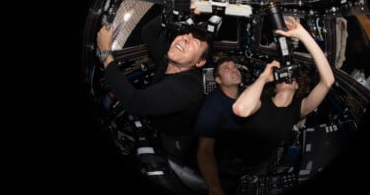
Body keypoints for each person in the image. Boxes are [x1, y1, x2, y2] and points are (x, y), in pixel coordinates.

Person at [96, 13, 212, 163]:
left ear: (200, 63)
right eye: (185, 34)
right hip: (155, 123)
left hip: (172, 137)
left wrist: (105, 53)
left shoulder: (189, 87)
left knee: (172, 163)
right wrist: (173, 13)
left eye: (194, 43)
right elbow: (148, 32)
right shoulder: (168, 58)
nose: (185, 38)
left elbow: (136, 103)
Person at [231, 15, 335, 179]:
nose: (287, 78)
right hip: (232, 161)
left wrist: (303, 35)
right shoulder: (261, 101)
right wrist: (264, 77)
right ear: (275, 84)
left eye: (292, 77)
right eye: (283, 76)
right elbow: (240, 109)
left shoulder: (298, 109)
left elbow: (328, 81)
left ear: (297, 85)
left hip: (261, 166)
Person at [195, 58, 246, 195]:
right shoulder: (212, 106)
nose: (234, 70)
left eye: (235, 67)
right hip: (226, 164)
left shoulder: (246, 92)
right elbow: (204, 150)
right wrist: (214, 187)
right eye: (226, 68)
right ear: (218, 80)